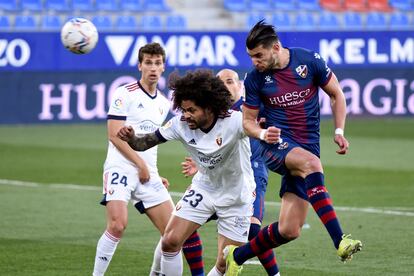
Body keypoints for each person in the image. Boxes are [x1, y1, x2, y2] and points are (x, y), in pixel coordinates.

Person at [224, 20, 363, 275]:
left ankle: (238, 255)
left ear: (275, 47)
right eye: (251, 56)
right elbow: (247, 122)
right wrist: (264, 133)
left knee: (290, 229)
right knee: (311, 165)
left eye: (259, 55)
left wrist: (339, 131)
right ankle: (340, 241)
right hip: (276, 145)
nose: (254, 61)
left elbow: (337, 94)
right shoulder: (255, 79)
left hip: (306, 146)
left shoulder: (308, 61)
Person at [117, 69, 256, 276]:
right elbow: (143, 143)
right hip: (204, 188)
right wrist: (131, 138)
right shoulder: (180, 124)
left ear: (209, 107)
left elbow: (258, 129)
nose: (186, 115)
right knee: (170, 241)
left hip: (237, 196)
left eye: (192, 110)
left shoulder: (235, 121)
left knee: (224, 263)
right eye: (183, 109)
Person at [92, 42, 203, 276]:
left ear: (163, 67)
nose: (153, 68)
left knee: (173, 234)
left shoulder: (164, 104)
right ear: (140, 65)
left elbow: (151, 143)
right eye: (149, 63)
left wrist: (152, 171)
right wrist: (140, 164)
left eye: (158, 63)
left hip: (147, 173)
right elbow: (114, 134)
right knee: (117, 225)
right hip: (120, 167)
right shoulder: (124, 93)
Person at [181, 68, 279, 275]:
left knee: (252, 231)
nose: (226, 86)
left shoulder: (253, 109)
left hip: (250, 175)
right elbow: (211, 146)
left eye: (230, 81)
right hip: (214, 178)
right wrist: (200, 163)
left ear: (239, 86)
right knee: (182, 228)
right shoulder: (209, 114)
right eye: (221, 83)